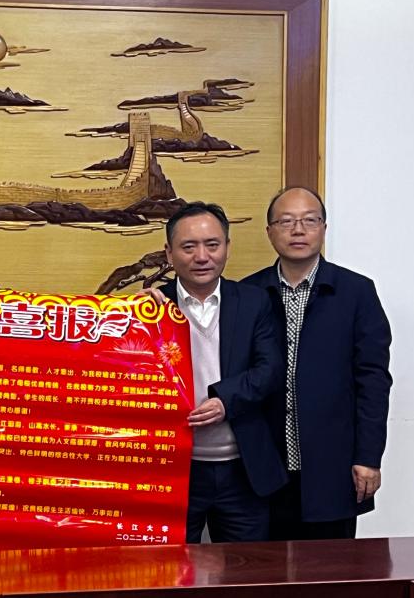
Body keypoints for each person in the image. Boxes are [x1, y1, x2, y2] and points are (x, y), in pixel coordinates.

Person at [243, 186, 392, 539]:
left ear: (324, 228)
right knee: (263, 568)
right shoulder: (248, 294)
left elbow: (373, 381)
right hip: (264, 468)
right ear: (269, 231)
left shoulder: (356, 292)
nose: (298, 230)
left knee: (331, 568)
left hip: (333, 463)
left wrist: (368, 457)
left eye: (309, 220)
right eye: (286, 221)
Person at [146, 203, 286, 542]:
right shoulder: (151, 308)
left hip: (243, 468)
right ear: (169, 253)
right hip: (174, 469)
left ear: (227, 247)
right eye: (188, 246)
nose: (202, 256)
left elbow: (270, 369)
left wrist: (225, 400)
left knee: (248, 568)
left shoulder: (254, 302)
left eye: (212, 244)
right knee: (169, 567)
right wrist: (138, 319)